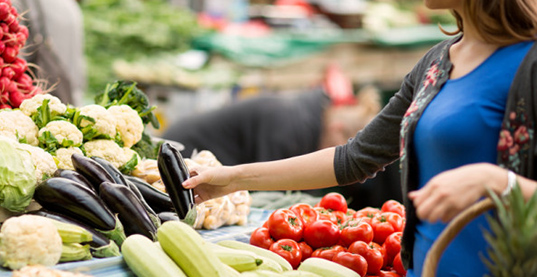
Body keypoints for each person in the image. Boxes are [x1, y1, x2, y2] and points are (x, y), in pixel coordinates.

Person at [181, 1, 537, 277]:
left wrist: (500, 182)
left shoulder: (528, 64)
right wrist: (233, 178)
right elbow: (354, 157)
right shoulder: (438, 63)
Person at [163, 66, 403, 209]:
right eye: (346, 147)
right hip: (182, 153)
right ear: (338, 128)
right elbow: (270, 189)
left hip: (220, 164)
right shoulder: (289, 126)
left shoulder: (307, 115)